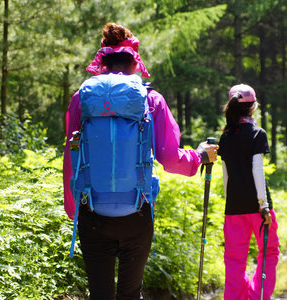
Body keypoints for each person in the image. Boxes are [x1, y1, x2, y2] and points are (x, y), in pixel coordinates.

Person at [63, 23, 218, 300]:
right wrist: (199, 157)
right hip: (136, 213)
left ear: (102, 62)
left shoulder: (81, 99)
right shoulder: (150, 99)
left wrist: (73, 208)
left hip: (92, 212)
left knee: (99, 294)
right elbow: (169, 159)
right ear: (134, 63)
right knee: (130, 293)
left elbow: (71, 156)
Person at [218, 84, 280, 300]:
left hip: (233, 207)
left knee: (234, 259)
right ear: (253, 107)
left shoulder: (225, 136)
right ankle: (257, 296)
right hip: (257, 206)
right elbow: (257, 170)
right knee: (269, 252)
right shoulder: (257, 133)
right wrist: (263, 205)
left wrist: (230, 202)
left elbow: (226, 175)